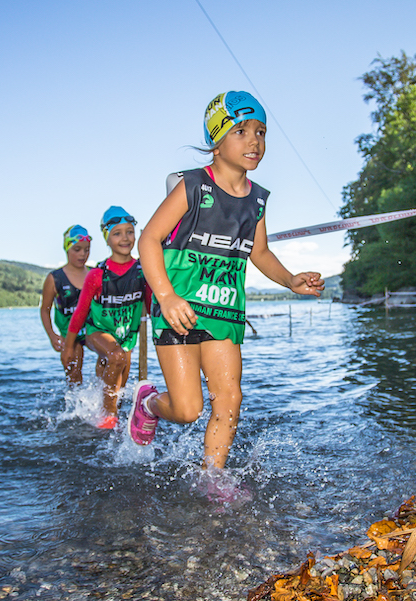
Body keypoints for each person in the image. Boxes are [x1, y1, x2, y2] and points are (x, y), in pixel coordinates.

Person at [134, 90, 324, 478]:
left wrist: (290, 279)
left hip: (224, 310)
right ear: (216, 142)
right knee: (188, 410)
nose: (254, 140)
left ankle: (212, 480)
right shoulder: (191, 187)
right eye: (240, 130)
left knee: (229, 399)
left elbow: (260, 253)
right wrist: (166, 297)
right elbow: (148, 240)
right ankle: (148, 404)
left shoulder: (257, 200)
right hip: (180, 308)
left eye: (261, 131)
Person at [62, 207, 151, 429]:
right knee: (116, 356)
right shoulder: (97, 275)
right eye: (117, 233)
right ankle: (108, 417)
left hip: (127, 336)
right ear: (107, 239)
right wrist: (69, 347)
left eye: (129, 232)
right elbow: (80, 313)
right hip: (97, 332)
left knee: (117, 382)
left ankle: (103, 415)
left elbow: (151, 308)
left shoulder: (143, 271)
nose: (125, 238)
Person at [39, 225, 92, 385]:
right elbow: (45, 310)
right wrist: (52, 335)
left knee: (108, 361)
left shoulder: (93, 274)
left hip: (91, 329)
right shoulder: (54, 278)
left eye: (86, 249)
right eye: (77, 249)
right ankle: (74, 406)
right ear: (67, 249)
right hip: (69, 333)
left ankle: (104, 402)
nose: (82, 254)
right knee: (74, 373)